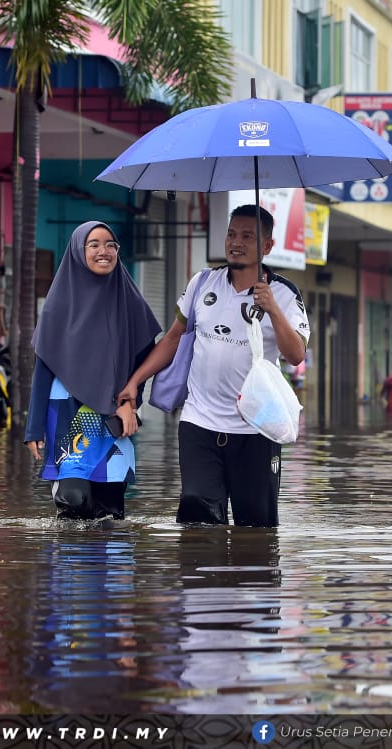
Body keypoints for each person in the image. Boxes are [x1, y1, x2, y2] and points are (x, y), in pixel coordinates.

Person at [117, 204, 309, 528]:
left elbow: (296, 355)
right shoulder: (203, 283)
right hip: (199, 422)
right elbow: (173, 339)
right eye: (232, 234)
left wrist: (272, 309)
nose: (236, 242)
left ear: (267, 247)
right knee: (196, 512)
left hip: (256, 428)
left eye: (248, 236)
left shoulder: (284, 294)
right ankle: (202, 578)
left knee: (256, 527)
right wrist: (135, 381)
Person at [25, 221, 161, 521]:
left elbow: (145, 361)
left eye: (111, 244)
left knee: (109, 512)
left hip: (114, 416)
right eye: (94, 244)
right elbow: (43, 370)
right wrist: (33, 428)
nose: (104, 251)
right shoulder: (57, 307)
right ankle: (71, 565)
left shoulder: (130, 301)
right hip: (68, 414)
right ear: (77, 250)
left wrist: (130, 403)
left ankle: (108, 566)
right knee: (73, 500)